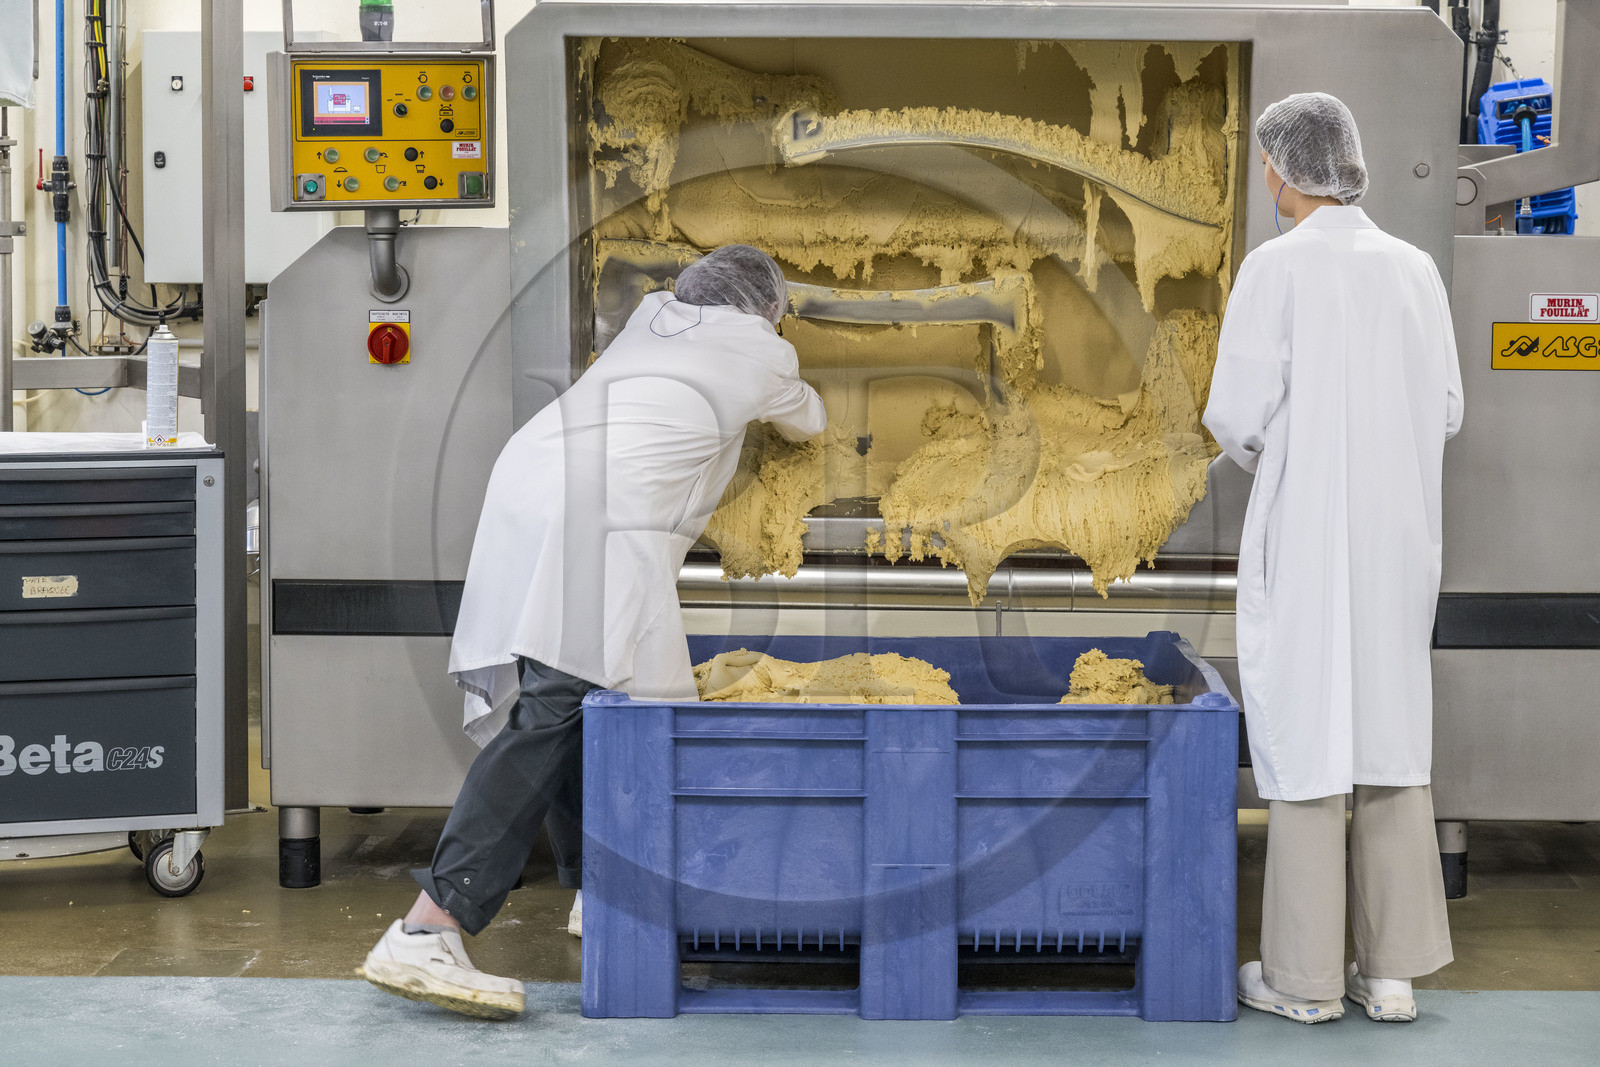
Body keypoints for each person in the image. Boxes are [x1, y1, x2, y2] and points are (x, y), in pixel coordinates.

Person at [359, 245, 827, 1019]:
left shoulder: (653, 320)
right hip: (596, 521)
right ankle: (429, 923)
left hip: (529, 485)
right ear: (767, 310)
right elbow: (810, 421)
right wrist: (788, 354)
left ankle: (596, 891)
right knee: (554, 711)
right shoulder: (761, 350)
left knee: (586, 705)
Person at [1203, 92, 1464, 1025]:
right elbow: (1447, 409)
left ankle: (1303, 978)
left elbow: (1235, 415)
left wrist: (1295, 448)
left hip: (1310, 535)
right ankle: (1391, 974)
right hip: (1398, 539)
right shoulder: (1415, 269)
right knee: (1389, 730)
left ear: (1282, 170)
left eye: (1267, 167)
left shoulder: (1275, 268)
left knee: (1309, 732)